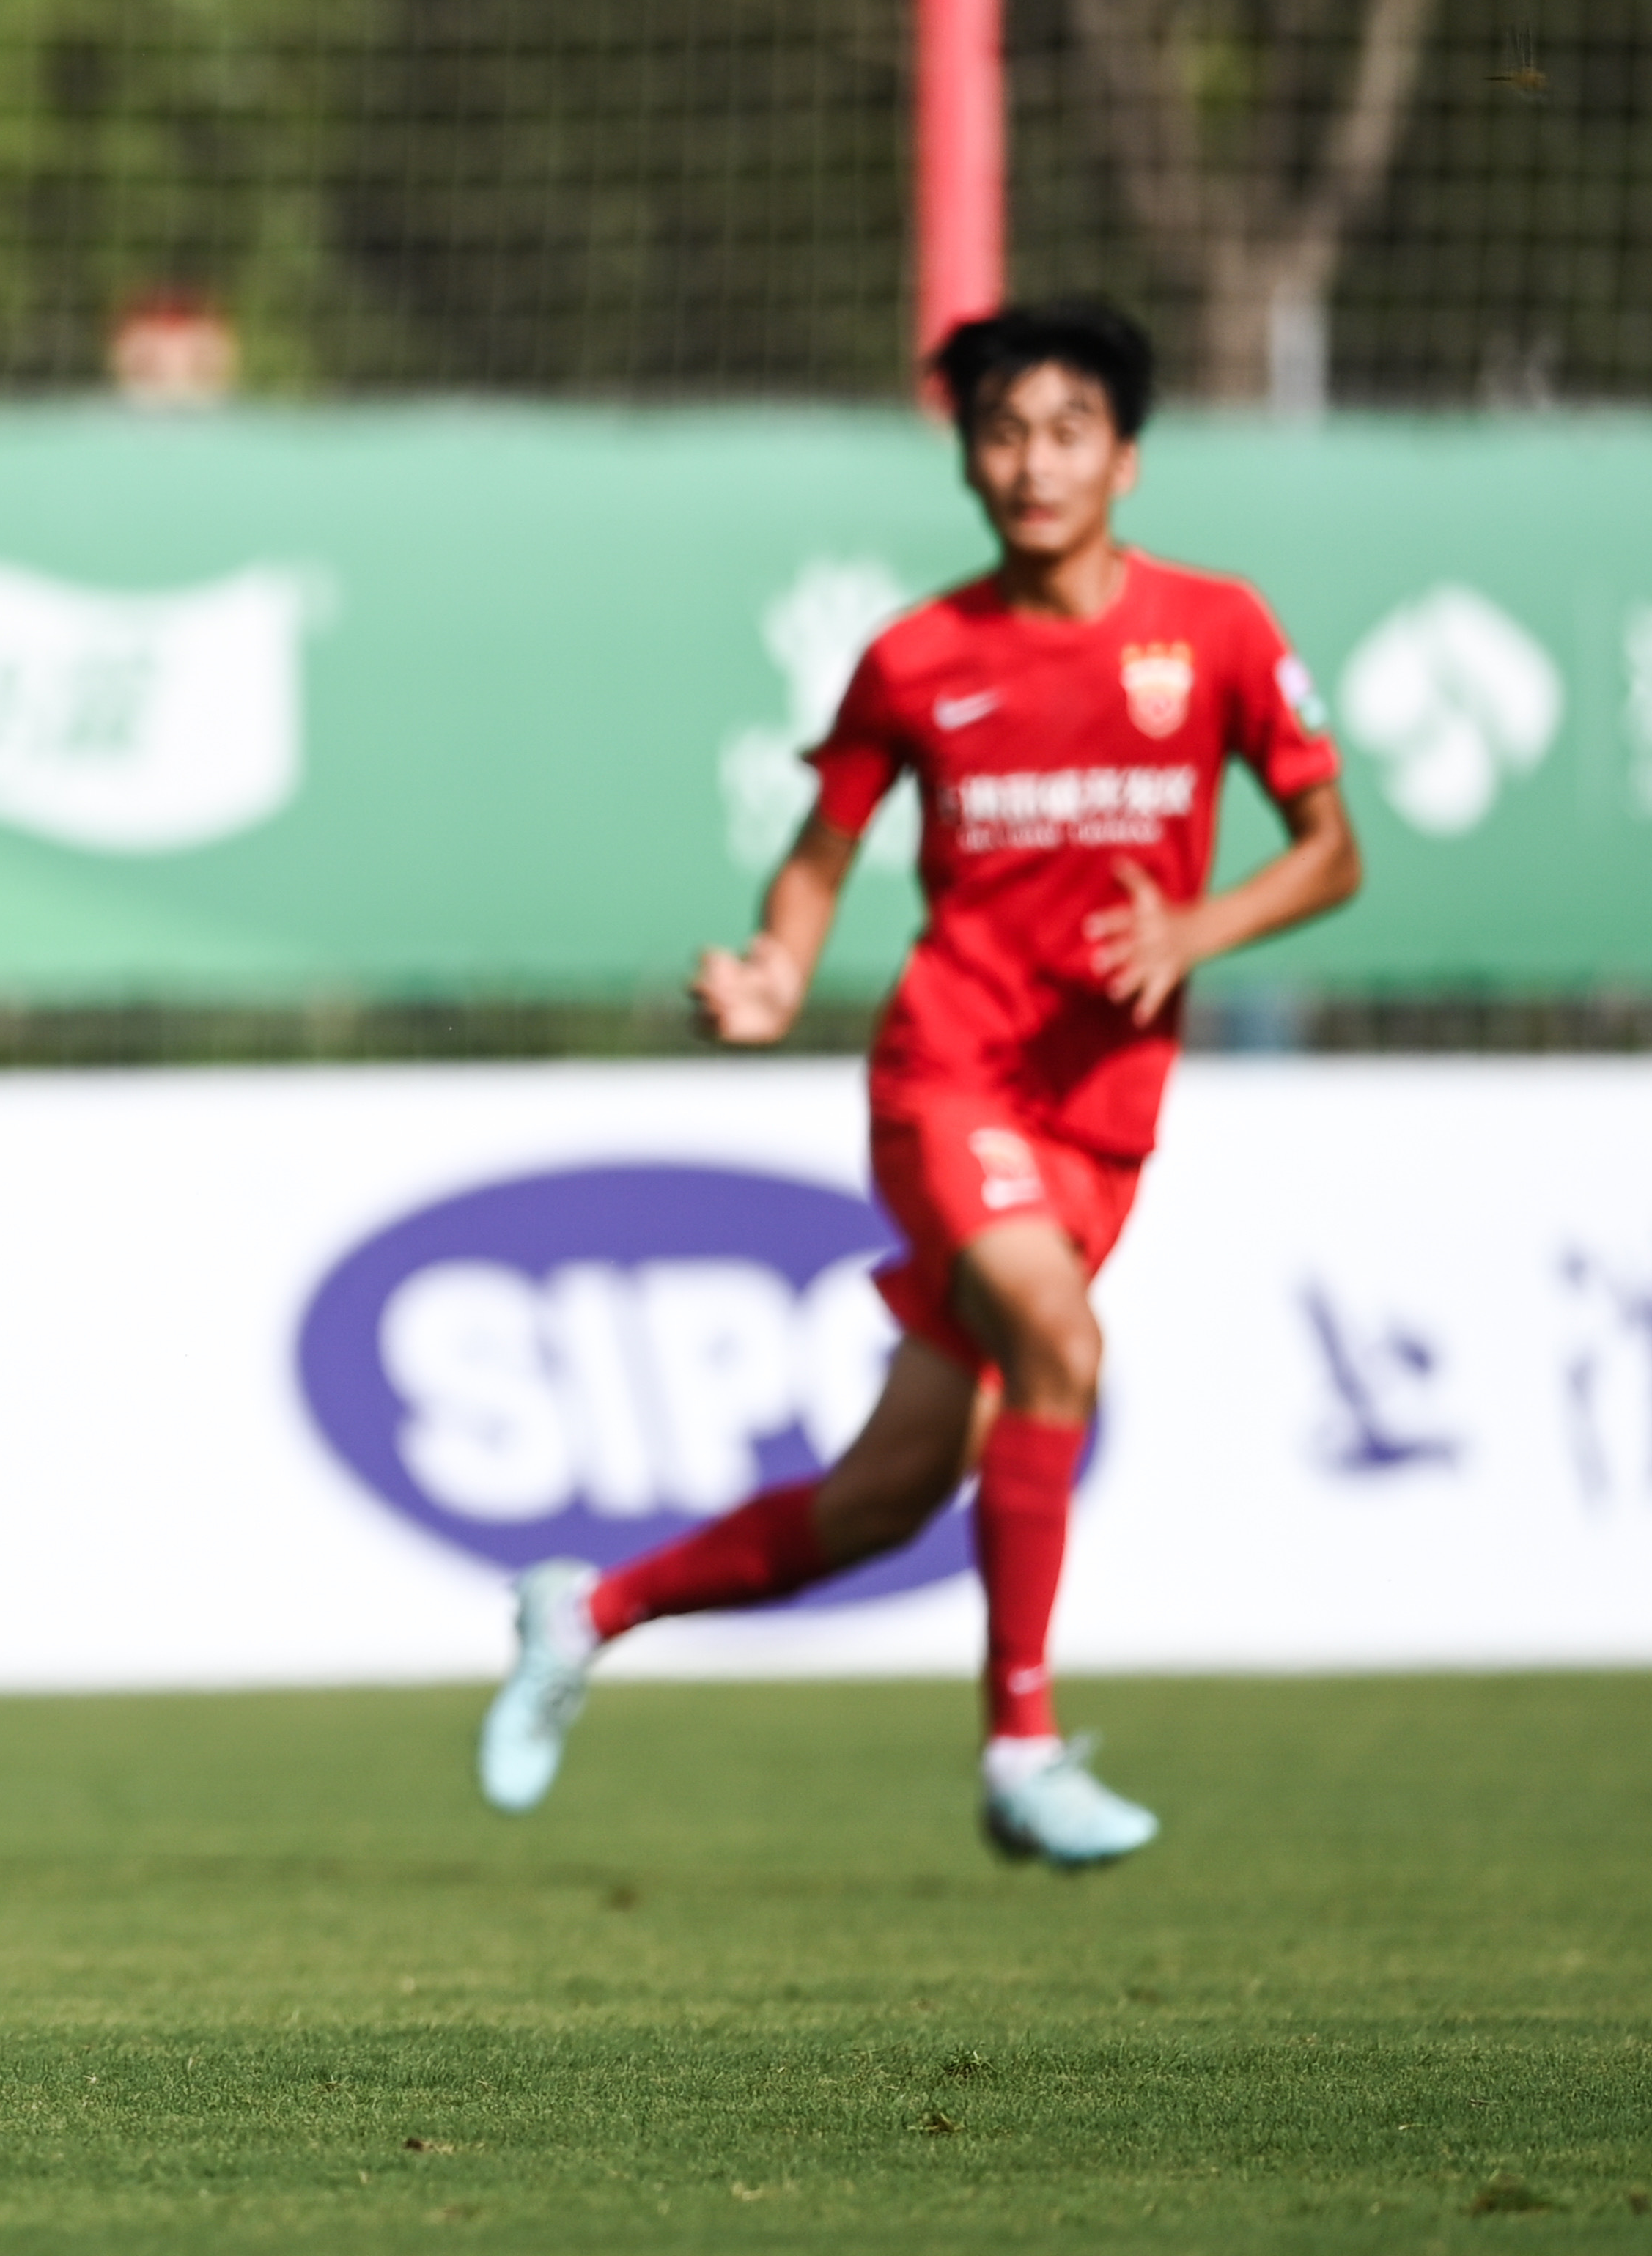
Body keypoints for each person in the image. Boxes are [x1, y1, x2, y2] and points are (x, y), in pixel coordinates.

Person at [476, 301, 1362, 1866]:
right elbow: (822, 856)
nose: (1033, 462)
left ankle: (587, 1608)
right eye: (1002, 432)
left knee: (881, 1501)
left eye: (1067, 429)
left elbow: (1330, 850)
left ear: (1128, 457)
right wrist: (770, 967)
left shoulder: (1216, 633)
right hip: (948, 1073)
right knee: (1062, 1335)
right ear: (968, 460)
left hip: (1105, 1113)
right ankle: (1022, 1743)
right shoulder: (918, 658)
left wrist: (1199, 923)